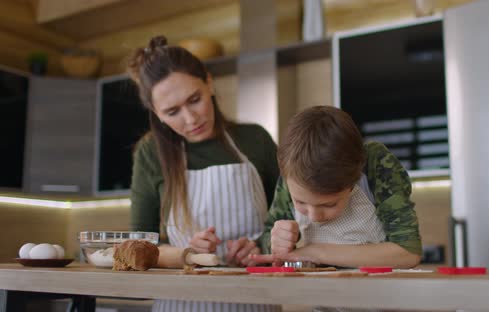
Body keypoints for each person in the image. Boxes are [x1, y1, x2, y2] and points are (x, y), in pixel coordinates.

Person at [128, 35, 280, 312]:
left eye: (194, 99)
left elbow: (289, 218)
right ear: (156, 113)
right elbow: (139, 247)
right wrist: (187, 254)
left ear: (209, 82)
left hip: (256, 301)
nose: (190, 119)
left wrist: (259, 246)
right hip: (181, 303)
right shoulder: (150, 153)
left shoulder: (255, 139)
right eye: (172, 111)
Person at [255, 106, 422, 269]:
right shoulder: (292, 168)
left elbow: (407, 253)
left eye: (329, 204)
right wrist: (277, 242)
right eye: (300, 202)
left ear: (354, 179)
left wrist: (317, 252)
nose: (314, 217)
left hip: (377, 291)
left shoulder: (375, 165)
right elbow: (267, 242)